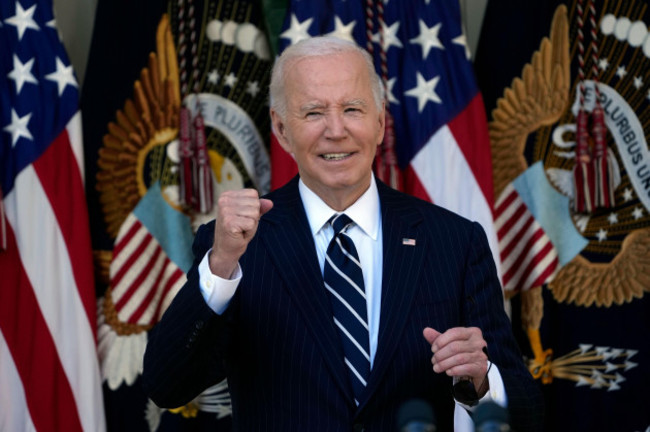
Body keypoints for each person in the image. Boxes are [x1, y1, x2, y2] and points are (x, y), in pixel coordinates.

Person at [143, 36, 543, 431]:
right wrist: (221, 264)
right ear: (282, 130)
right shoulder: (233, 246)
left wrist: (482, 379)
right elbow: (168, 386)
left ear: (380, 120)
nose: (336, 130)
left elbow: (526, 414)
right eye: (314, 113)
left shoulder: (455, 241)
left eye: (353, 108)